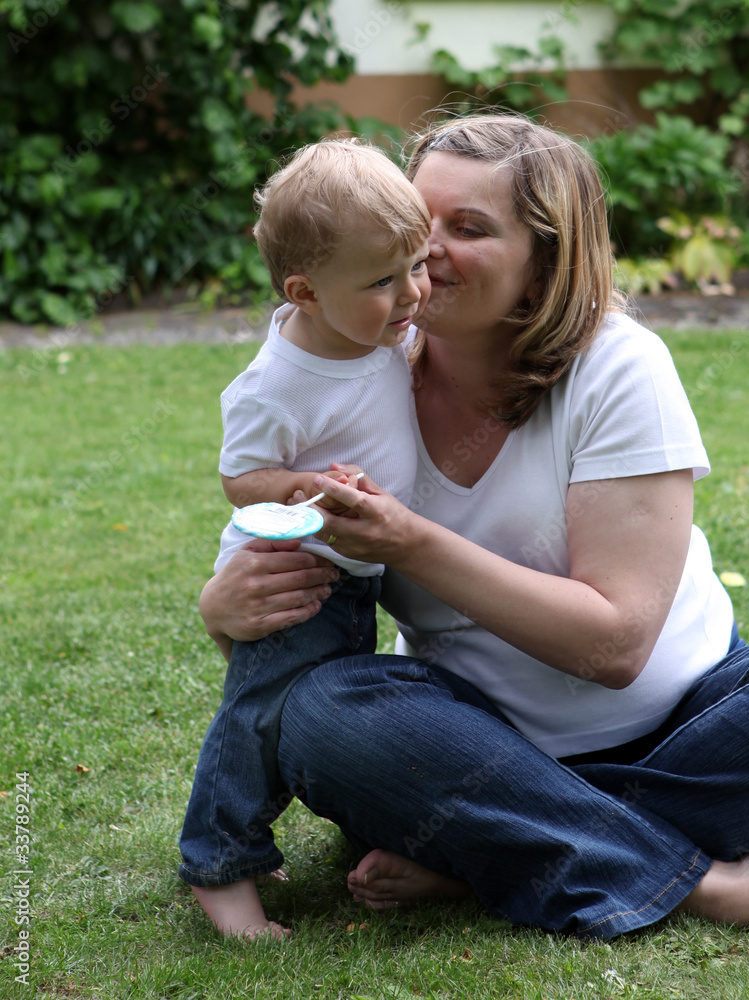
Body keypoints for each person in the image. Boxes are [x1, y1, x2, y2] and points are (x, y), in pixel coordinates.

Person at [197, 112, 749, 941]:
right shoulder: (361, 365)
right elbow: (291, 625)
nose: (425, 250)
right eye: (416, 218)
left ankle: (500, 851)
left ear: (545, 258)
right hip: (474, 743)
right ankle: (713, 886)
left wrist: (410, 541)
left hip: (685, 727)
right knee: (324, 715)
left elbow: (614, 646)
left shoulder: (618, 368)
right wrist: (225, 614)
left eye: (468, 228)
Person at [178, 138, 431, 939]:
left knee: (319, 719)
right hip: (292, 573)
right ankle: (218, 864)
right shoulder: (278, 382)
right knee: (259, 717)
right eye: (383, 281)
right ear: (304, 291)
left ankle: (273, 832)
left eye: (416, 266)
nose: (411, 294)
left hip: (354, 571)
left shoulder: (381, 336)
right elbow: (240, 477)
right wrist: (310, 489)